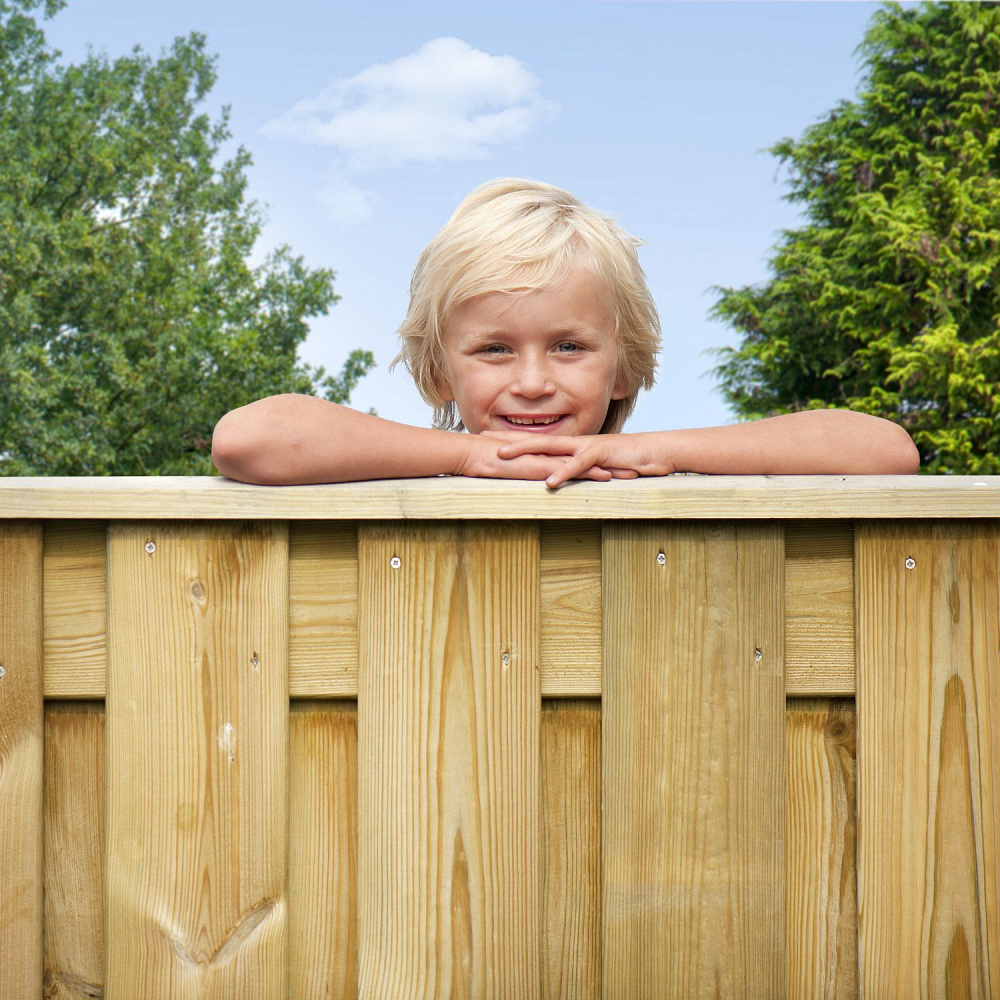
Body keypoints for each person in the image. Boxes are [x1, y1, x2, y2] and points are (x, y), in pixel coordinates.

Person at [211, 178, 919, 487]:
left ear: (625, 367)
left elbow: (886, 451)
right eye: (493, 348)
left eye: (569, 346)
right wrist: (462, 460)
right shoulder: (426, 465)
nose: (532, 380)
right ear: (436, 372)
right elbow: (246, 439)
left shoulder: (646, 468)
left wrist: (652, 451)